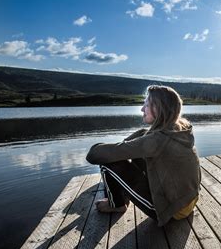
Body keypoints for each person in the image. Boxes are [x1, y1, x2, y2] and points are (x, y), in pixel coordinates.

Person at [86, 85, 200, 226]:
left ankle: (117, 204)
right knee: (138, 139)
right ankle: (121, 196)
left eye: (146, 105)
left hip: (172, 211)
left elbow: (93, 155)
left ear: (158, 109)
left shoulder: (156, 141)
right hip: (188, 200)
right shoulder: (179, 129)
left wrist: (116, 149)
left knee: (107, 163)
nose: (141, 109)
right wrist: (130, 142)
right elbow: (141, 140)